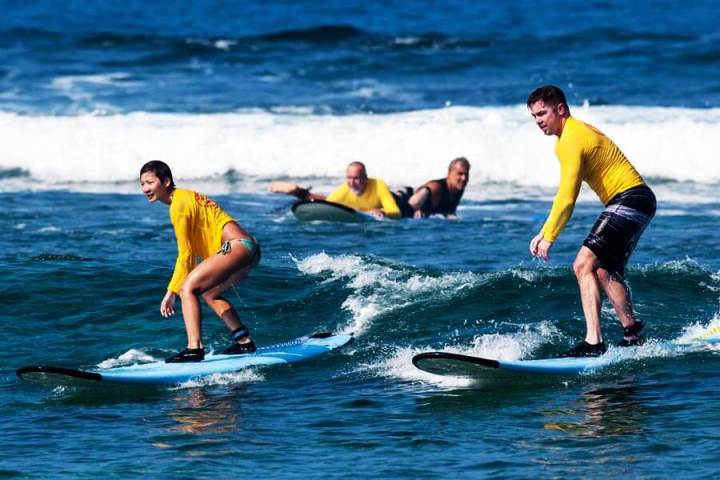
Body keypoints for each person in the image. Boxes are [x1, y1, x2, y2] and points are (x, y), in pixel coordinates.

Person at [527, 85, 656, 357]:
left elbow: (567, 195)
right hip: (639, 201)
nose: (538, 121)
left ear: (560, 109)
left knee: (582, 264)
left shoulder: (571, 138)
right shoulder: (574, 133)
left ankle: (594, 342)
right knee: (601, 270)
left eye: (542, 113)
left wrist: (548, 234)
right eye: (534, 116)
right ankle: (632, 333)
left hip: (629, 199)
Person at [140, 160, 261, 363]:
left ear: (166, 181)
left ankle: (194, 348)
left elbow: (185, 255)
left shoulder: (178, 205)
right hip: (247, 247)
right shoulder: (185, 196)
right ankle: (244, 341)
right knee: (209, 292)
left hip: (236, 245)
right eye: (142, 184)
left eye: (150, 183)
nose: (145, 189)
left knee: (187, 289)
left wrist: (171, 291)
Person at [269, 161, 401, 219]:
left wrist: (382, 211)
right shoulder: (344, 189)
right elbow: (327, 205)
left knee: (412, 204)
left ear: (366, 178)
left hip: (398, 200)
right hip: (357, 210)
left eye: (356, 178)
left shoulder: (378, 184)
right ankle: (299, 192)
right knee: (326, 199)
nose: (352, 183)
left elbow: (395, 212)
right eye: (349, 178)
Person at [405, 157, 470, 218]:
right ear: (449, 173)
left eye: (466, 174)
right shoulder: (436, 187)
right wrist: (415, 208)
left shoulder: (459, 188)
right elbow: (422, 191)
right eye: (460, 174)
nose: (464, 178)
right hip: (406, 201)